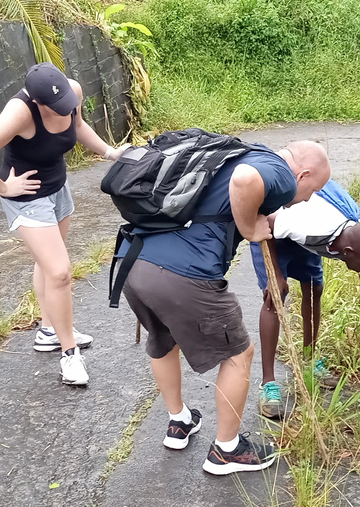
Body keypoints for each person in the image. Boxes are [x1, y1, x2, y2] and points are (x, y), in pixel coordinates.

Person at [118, 140, 329, 475]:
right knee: (238, 355)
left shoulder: (233, 154)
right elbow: (245, 180)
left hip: (132, 263)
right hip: (181, 276)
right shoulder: (278, 170)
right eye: (313, 189)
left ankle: (179, 421)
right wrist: (249, 228)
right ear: (302, 174)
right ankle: (227, 450)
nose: (306, 197)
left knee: (162, 339)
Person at [0, 62, 130, 386]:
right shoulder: (18, 112)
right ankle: (69, 354)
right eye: (55, 108)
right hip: (26, 198)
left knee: (48, 264)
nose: (65, 110)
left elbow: (80, 126)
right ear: (38, 102)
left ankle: (48, 330)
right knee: (60, 272)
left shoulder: (71, 92)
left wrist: (110, 152)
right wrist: (4, 187)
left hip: (58, 188)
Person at [251, 179, 360, 419]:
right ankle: (269, 384)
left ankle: (310, 358)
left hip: (305, 237)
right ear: (347, 253)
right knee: (275, 297)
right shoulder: (310, 225)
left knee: (315, 288)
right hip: (270, 228)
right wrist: (275, 274)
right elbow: (265, 223)